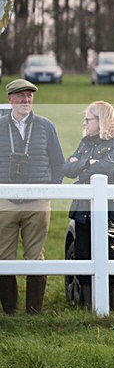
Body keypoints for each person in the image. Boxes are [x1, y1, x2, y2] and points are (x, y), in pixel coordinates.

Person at [0, 79, 64, 314]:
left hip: (37, 200)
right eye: (21, 96)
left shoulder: (46, 126)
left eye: (29, 96)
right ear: (10, 99)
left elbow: (58, 163)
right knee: (3, 256)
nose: (26, 100)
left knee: (35, 255)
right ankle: (9, 311)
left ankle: (33, 312)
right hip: (4, 201)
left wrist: (51, 190)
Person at [63, 101, 114, 306]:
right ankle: (89, 306)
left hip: (110, 212)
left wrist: (82, 166)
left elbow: (108, 168)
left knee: (112, 256)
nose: (85, 123)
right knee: (83, 255)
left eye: (88, 119)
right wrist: (88, 164)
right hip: (84, 211)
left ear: (101, 120)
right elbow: (66, 168)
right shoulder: (85, 143)